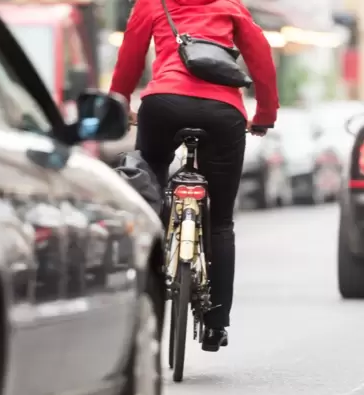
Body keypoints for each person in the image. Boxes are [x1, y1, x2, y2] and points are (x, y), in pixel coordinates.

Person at [109, 0, 279, 351]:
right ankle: (216, 324)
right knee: (220, 223)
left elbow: (131, 53)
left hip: (163, 105)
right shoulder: (229, 5)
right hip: (223, 111)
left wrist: (122, 101)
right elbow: (260, 54)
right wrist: (264, 113)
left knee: (148, 191)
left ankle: (147, 292)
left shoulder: (152, 3)